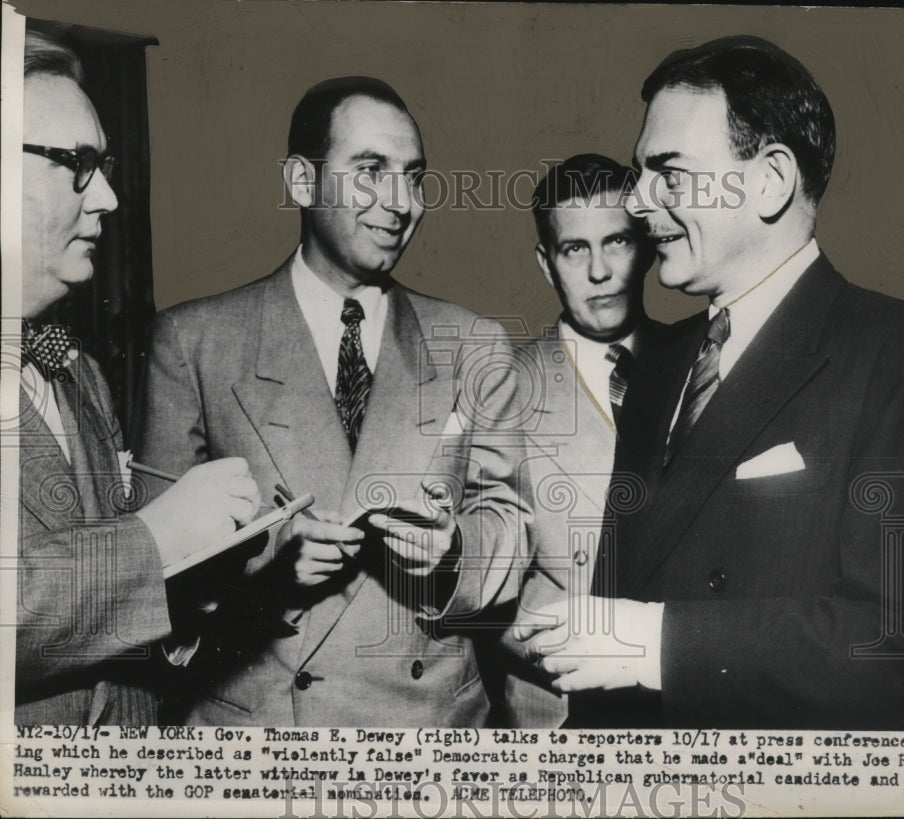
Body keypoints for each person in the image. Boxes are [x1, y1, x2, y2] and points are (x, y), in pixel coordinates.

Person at [515, 36, 904, 730]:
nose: (639, 203)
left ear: (770, 181)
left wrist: (657, 644)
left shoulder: (899, 350)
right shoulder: (661, 365)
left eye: (668, 173)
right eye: (641, 174)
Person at [136, 76, 527, 726]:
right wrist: (267, 572)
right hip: (262, 736)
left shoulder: (472, 342)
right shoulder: (194, 341)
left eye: (413, 176)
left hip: (425, 734)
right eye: (371, 171)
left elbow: (509, 524)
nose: (400, 202)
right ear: (299, 181)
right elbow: (150, 577)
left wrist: (453, 550)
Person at [15, 29, 260, 726]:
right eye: (79, 164)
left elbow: (95, 610)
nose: (111, 200)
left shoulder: (77, 371)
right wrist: (155, 542)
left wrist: (184, 592)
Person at [500, 154, 664, 726]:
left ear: (645, 244)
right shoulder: (499, 389)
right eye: (575, 249)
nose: (600, 271)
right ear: (547, 264)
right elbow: (477, 588)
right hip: (561, 728)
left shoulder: (706, 363)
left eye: (617, 241)